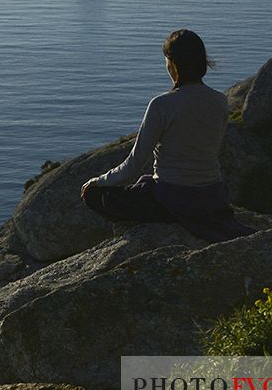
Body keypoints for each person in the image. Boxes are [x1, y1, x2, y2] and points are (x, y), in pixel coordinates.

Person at [79, 29, 254, 243]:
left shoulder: (162, 105)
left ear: (173, 64)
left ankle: (166, 221)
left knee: (94, 196)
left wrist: (99, 181)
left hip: (171, 199)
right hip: (213, 198)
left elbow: (134, 164)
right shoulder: (219, 101)